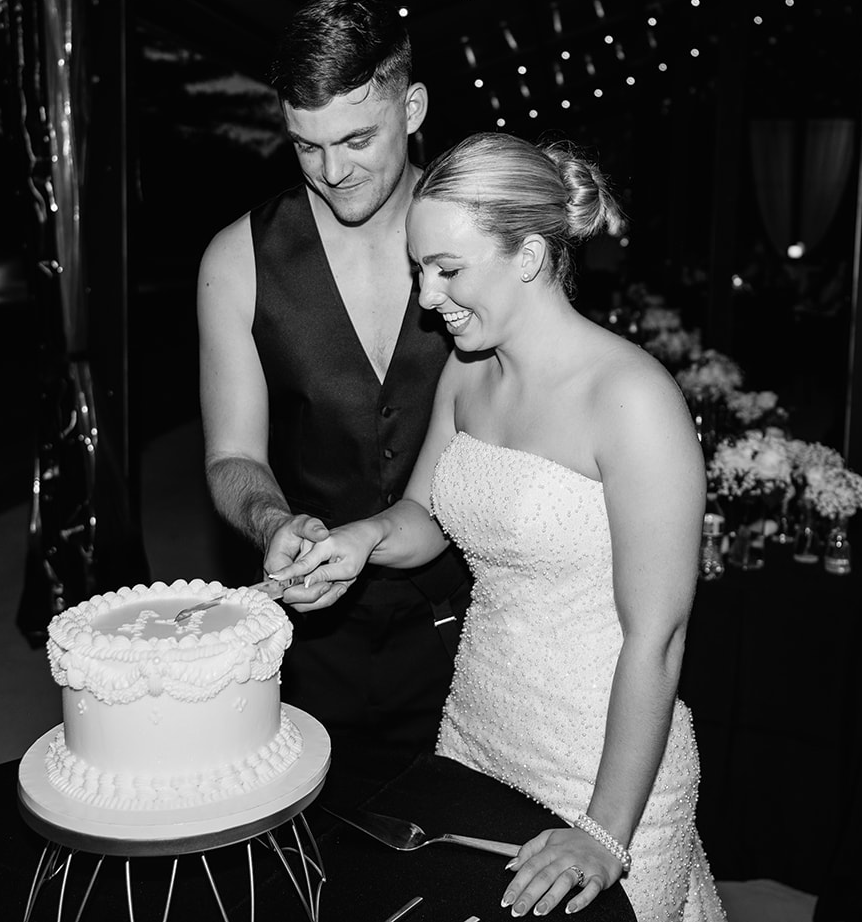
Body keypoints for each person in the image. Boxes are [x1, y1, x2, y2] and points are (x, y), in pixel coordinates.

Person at [274, 133, 725, 920]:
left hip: (607, 766)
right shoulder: (467, 369)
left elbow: (660, 635)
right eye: (420, 269)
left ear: (529, 254)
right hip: (476, 731)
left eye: (448, 268)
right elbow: (423, 516)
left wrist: (605, 833)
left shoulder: (633, 398)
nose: (425, 296)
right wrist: (360, 540)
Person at [195, 0, 472, 808]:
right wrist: (273, 522)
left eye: (357, 137)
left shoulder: (481, 240)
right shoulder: (236, 260)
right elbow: (232, 454)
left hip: (474, 615)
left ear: (413, 107)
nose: (333, 170)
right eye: (306, 146)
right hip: (312, 636)